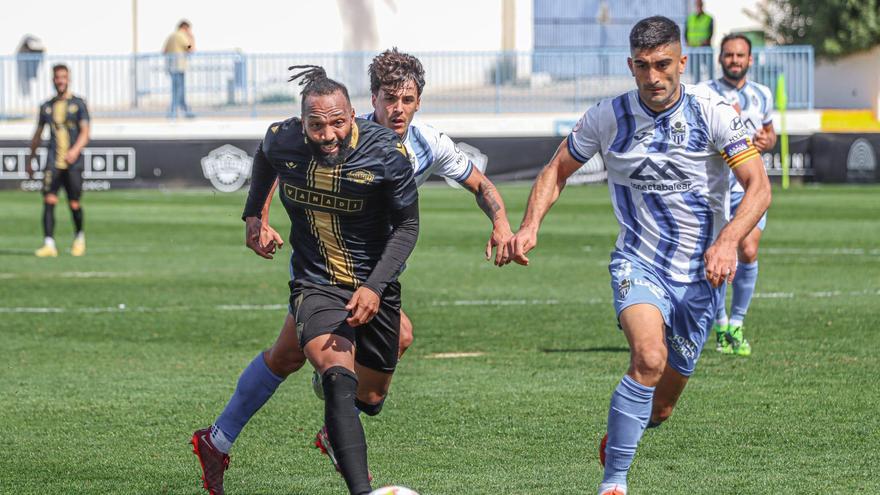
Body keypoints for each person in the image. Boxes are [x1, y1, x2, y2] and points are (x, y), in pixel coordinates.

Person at [501, 17, 770, 495]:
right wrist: (529, 226)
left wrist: (727, 240)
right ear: (631, 65)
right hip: (638, 263)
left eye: (663, 65)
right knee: (647, 357)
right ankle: (614, 483)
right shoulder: (608, 116)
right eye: (643, 66)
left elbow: (758, 186)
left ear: (682, 62)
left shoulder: (715, 113)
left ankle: (620, 438)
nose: (653, 77)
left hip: (701, 277)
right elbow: (555, 171)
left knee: (661, 407)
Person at [231, 47, 515, 478]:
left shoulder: (428, 143)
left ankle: (221, 438)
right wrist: (258, 216)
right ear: (373, 99)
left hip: (376, 267)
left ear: (419, 101)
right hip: (321, 268)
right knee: (337, 362)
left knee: (312, 361)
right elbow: (281, 157)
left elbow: (478, 183)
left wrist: (502, 223)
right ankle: (326, 415)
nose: (397, 108)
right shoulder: (340, 129)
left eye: (406, 99)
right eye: (388, 98)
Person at [192, 65, 420, 495]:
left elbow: (407, 228)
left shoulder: (387, 152)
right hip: (315, 282)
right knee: (336, 374)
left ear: (353, 116)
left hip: (374, 284)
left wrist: (373, 287)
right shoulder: (284, 138)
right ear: (303, 123)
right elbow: (265, 154)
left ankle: (217, 440)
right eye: (316, 126)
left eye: (337, 123)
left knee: (364, 395)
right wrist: (254, 216)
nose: (328, 134)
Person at [701, 33, 776, 356]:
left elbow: (769, 133)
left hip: (749, 187)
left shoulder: (762, 94)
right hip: (715, 187)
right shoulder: (705, 93)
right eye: (729, 55)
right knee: (718, 253)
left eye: (740, 55)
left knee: (748, 248)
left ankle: (737, 323)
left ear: (750, 60)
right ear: (720, 58)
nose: (734, 60)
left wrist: (765, 142)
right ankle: (720, 324)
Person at [27, 63, 90, 258]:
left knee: (74, 203)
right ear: (53, 80)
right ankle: (49, 244)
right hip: (53, 161)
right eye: (57, 77)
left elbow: (86, 133)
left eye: (63, 77)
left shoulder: (78, 104)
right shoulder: (46, 106)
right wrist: (31, 158)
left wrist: (75, 150)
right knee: (49, 200)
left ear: (68, 79)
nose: (60, 81)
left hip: (73, 162)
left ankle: (79, 238)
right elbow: (38, 134)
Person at [163, 20, 195, 118]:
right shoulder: (181, 36)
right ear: (185, 28)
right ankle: (175, 111)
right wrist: (191, 39)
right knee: (179, 90)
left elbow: (164, 50)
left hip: (171, 66)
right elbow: (189, 48)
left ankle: (180, 110)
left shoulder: (171, 36)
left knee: (176, 89)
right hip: (179, 66)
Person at [685, 0, 714, 81]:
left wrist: (706, 41)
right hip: (694, 49)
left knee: (709, 69)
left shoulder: (708, 18)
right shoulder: (690, 18)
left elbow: (711, 32)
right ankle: (696, 85)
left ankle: (712, 85)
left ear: (702, 5)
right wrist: (687, 42)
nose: (698, 7)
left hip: (705, 49)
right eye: (697, 5)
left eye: (700, 5)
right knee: (695, 71)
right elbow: (686, 32)